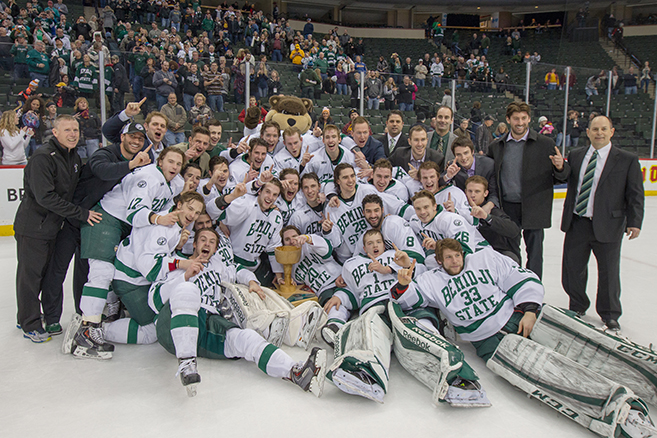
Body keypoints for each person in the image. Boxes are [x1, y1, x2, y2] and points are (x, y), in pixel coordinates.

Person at [392, 238, 656, 438]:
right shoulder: (431, 281)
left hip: (518, 318)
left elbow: (520, 277)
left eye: (458, 255)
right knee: (548, 371)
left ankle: (648, 370)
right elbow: (410, 300)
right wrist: (403, 283)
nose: (455, 261)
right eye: (448, 258)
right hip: (490, 342)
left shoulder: (485, 259)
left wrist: (529, 309)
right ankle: (621, 412)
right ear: (439, 261)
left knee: (583, 344)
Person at [151, 226, 328, 397]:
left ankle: (295, 372)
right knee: (187, 290)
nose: (207, 244)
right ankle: (187, 363)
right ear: (195, 244)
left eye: (212, 242)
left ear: (215, 248)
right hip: (173, 326)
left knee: (247, 337)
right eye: (203, 240)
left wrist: (252, 281)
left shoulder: (217, 265)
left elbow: (237, 270)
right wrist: (185, 275)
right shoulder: (176, 263)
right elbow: (154, 301)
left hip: (207, 324)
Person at [14, 115, 101, 342]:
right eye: (67, 130)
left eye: (76, 130)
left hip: (52, 228)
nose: (73, 134)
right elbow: (46, 197)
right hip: (34, 227)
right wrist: (81, 213)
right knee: (30, 276)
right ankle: (30, 323)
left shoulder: (72, 155)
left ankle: (26, 314)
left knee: (43, 274)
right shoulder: (43, 157)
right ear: (55, 132)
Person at [561, 115, 644, 332]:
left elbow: (635, 194)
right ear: (587, 132)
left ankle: (609, 314)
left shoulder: (626, 160)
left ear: (612, 132)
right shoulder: (577, 155)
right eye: (595, 129)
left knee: (608, 272)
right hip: (578, 222)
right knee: (573, 269)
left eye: (603, 129)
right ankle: (577, 306)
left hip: (609, 224)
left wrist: (635, 222)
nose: (599, 133)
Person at [487, 102, 569, 279]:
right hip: (507, 207)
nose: (520, 122)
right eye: (516, 118)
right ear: (508, 119)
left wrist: (560, 168)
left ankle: (533, 289)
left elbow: (561, 177)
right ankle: (513, 285)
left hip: (534, 207)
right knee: (509, 252)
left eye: (524, 118)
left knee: (535, 254)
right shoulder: (497, 146)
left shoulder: (545, 144)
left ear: (529, 119)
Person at [464, 176, 520, 263]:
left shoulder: (493, 211)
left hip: (495, 253)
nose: (472, 195)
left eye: (477, 191)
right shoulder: (461, 210)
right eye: (470, 191)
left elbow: (514, 230)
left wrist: (487, 217)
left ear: (485, 193)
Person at [441, 136, 498, 211]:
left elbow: (494, 191)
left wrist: (489, 205)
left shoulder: (488, 165)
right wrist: (448, 176)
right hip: (462, 208)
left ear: (473, 151)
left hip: (485, 205)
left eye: (466, 153)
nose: (463, 158)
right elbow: (438, 183)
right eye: (458, 155)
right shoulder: (454, 166)